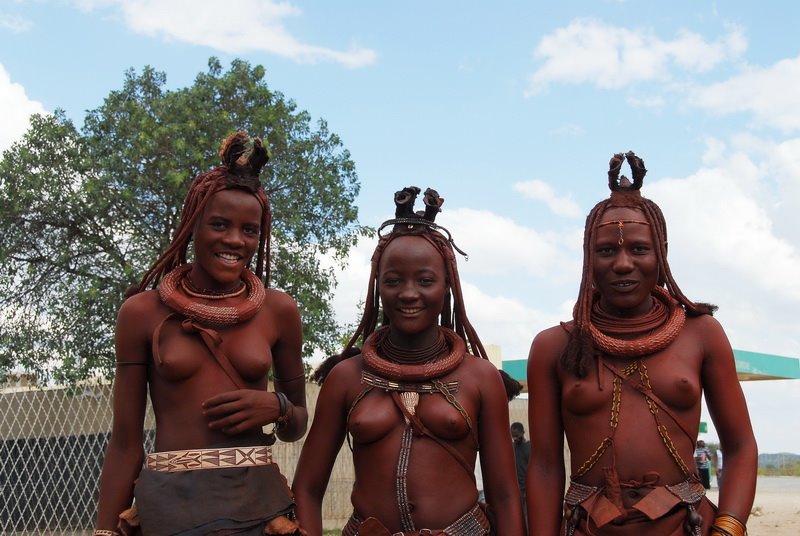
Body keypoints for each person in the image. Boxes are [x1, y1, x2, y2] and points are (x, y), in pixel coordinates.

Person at [526, 152, 757, 536]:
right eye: (606, 251)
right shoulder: (555, 347)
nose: (621, 264)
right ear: (588, 258)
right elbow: (546, 466)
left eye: (638, 249)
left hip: (689, 527)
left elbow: (741, 448)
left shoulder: (701, 334)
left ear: (660, 253)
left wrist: (728, 529)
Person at [94, 132, 308, 536]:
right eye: (219, 225)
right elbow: (124, 443)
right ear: (193, 225)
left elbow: (297, 422)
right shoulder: (142, 312)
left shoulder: (278, 310)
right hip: (170, 508)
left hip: (259, 508)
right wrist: (106, 530)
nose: (234, 240)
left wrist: (277, 406)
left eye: (250, 230)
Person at [292, 187, 525, 535]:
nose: (409, 293)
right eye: (394, 281)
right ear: (377, 288)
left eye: (425, 280)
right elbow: (307, 490)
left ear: (447, 286)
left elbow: (505, 496)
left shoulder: (480, 377)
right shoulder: (346, 377)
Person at [511, 422, 531, 528]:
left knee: (528, 517)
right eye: (513, 436)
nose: (515, 438)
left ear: (523, 432)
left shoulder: (529, 448)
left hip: (527, 488)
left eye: (517, 435)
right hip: (516, 488)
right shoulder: (511, 448)